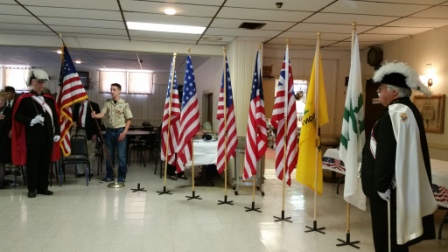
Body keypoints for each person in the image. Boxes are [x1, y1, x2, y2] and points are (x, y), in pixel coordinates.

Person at [361, 62, 438, 251]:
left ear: (394, 92)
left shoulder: (396, 114)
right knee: (393, 237)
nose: (378, 93)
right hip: (394, 188)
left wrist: (381, 185)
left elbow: (387, 154)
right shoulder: (407, 111)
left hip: (388, 190)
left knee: (386, 238)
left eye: (381, 89)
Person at [11, 69, 61, 198]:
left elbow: (55, 117)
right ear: (32, 82)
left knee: (45, 163)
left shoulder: (49, 99)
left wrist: (57, 132)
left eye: (43, 82)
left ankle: (43, 187)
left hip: (48, 137)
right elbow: (17, 117)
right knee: (33, 164)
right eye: (39, 82)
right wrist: (31, 121)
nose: (42, 84)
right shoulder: (24, 99)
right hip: (33, 138)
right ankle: (32, 188)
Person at [92, 83, 132, 183]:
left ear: (119, 91)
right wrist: (95, 115)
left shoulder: (124, 104)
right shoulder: (107, 103)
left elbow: (129, 119)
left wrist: (124, 133)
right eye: (111, 89)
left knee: (121, 156)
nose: (112, 91)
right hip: (109, 131)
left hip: (120, 131)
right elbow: (102, 114)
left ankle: (121, 175)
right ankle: (109, 175)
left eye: (114, 90)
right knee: (109, 155)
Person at [72, 100, 101, 177]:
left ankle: (90, 171)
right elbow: (74, 118)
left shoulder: (93, 105)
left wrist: (95, 133)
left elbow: (98, 121)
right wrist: (74, 122)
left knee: (90, 153)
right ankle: (80, 171)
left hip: (91, 132)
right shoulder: (77, 105)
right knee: (79, 152)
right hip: (79, 130)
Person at [0, 93, 13, 189]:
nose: (0, 102)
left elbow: (13, 123)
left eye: (2, 100)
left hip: (4, 138)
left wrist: (12, 130)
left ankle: (1, 182)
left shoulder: (9, 110)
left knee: (1, 161)